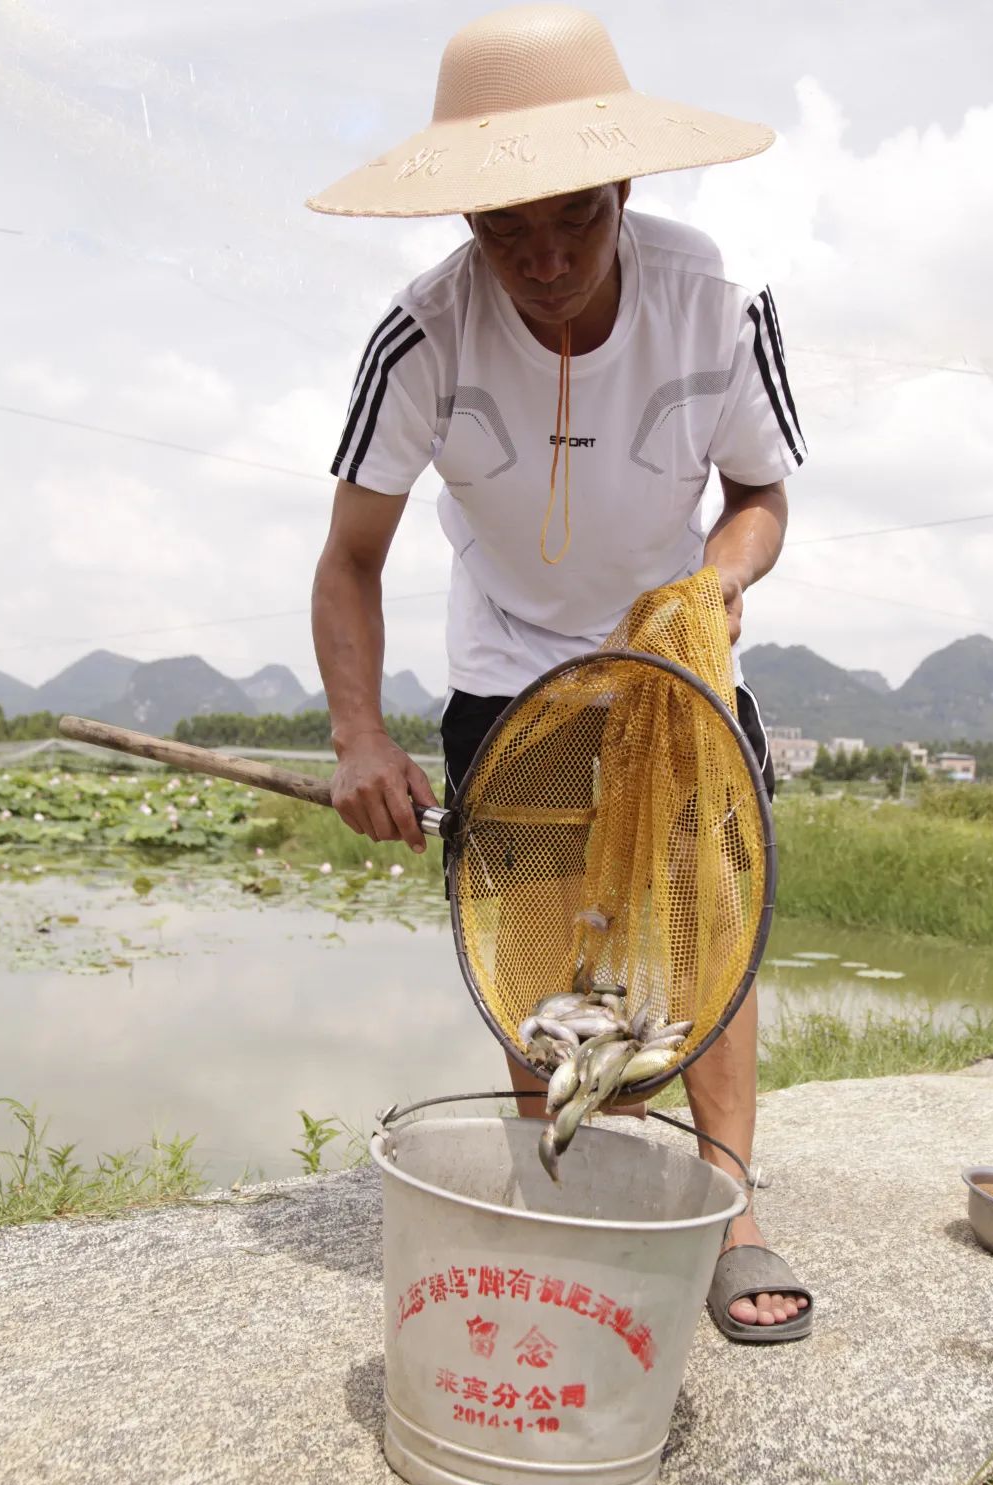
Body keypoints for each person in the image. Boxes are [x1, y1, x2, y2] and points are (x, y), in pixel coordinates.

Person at [309, 4, 812, 1342]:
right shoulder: (421, 338)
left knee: (707, 917)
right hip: (512, 672)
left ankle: (730, 1204)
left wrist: (711, 588)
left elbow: (763, 492)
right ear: (465, 217)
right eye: (504, 231)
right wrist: (361, 736)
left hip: (671, 668)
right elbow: (350, 558)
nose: (541, 261)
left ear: (623, 187)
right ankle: (572, 1192)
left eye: (573, 223)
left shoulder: (717, 301)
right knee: (539, 947)